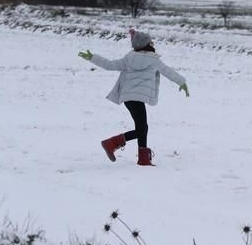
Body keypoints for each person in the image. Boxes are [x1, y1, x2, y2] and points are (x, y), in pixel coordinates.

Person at [78, 29, 189, 166]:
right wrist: (182, 82)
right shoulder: (154, 60)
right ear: (147, 44)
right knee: (142, 128)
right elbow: (169, 72)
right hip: (137, 98)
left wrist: (92, 57)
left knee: (142, 127)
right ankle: (112, 143)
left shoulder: (129, 58)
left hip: (128, 98)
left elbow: (110, 65)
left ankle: (143, 158)